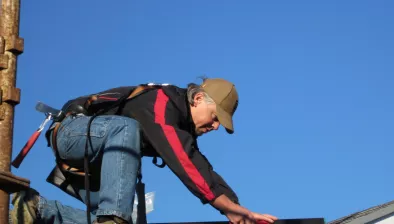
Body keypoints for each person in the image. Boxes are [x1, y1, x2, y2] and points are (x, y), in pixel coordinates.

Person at [10, 78, 278, 224]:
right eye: (215, 117)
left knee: (128, 221)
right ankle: (112, 220)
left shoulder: (179, 125)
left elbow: (200, 166)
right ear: (198, 99)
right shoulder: (161, 104)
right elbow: (183, 163)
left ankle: (37, 209)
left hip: (98, 162)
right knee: (126, 129)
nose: (215, 126)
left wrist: (237, 209)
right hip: (73, 134)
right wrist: (226, 208)